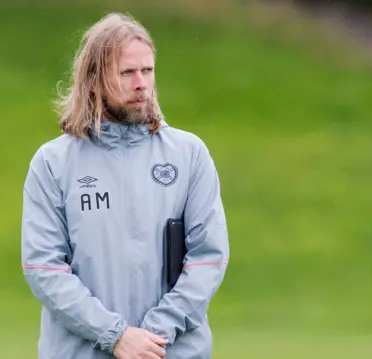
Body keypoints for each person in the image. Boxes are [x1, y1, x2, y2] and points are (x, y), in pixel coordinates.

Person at [20, 12, 230, 359]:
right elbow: (45, 267)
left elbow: (208, 258)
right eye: (126, 73)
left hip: (170, 352)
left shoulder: (189, 154)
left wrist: (151, 335)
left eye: (147, 71)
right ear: (93, 80)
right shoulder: (52, 164)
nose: (141, 83)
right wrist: (114, 336)